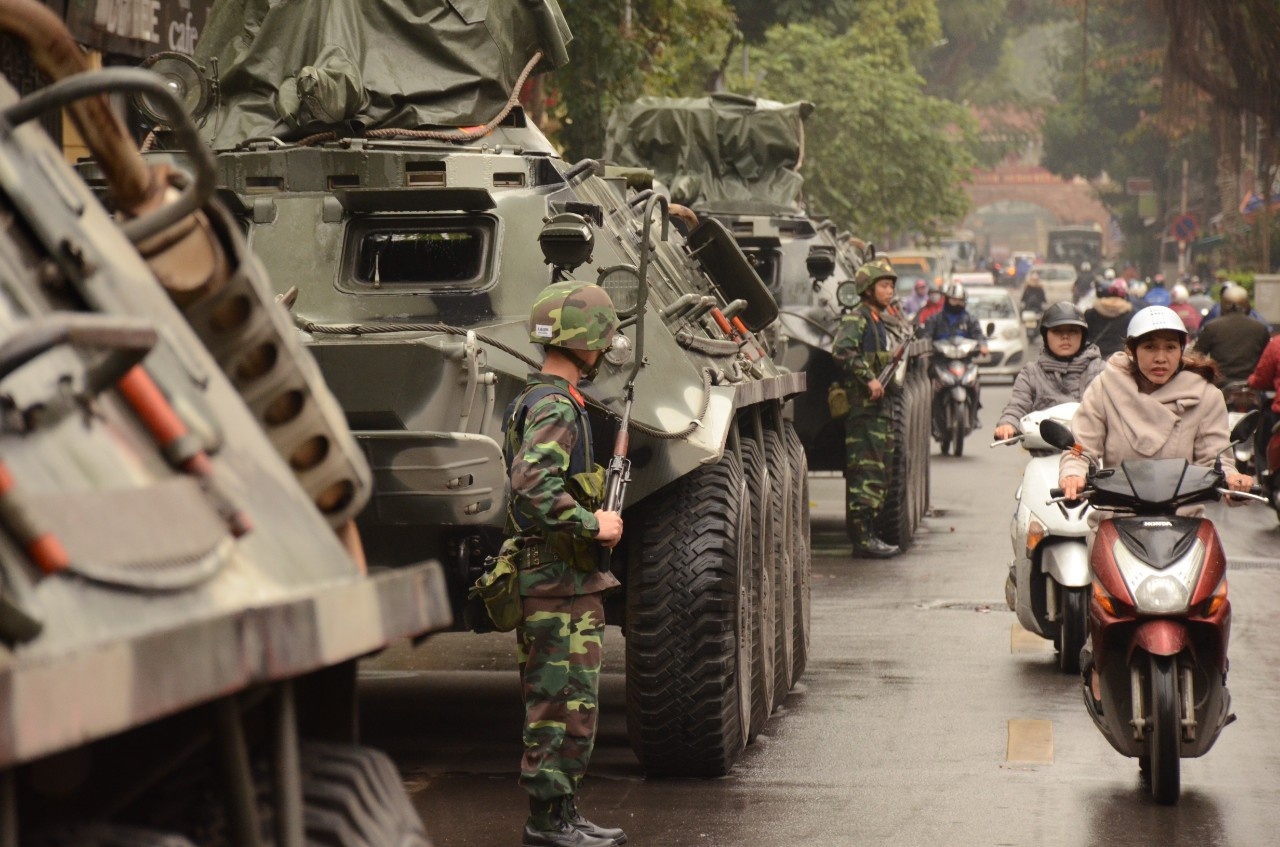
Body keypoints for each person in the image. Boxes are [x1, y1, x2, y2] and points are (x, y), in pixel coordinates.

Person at [1059, 306, 1254, 707]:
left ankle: (1213, 667)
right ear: (1132, 351)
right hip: (1119, 518)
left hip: (1183, 521)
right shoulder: (1105, 388)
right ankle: (1101, 659)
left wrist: (1231, 478)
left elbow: (1218, 457)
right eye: (1150, 347)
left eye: (1170, 347)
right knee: (1105, 604)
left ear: (1183, 350)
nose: (1160, 357)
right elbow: (1082, 445)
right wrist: (1073, 473)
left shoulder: (1206, 396)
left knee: (1210, 602)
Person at [506, 281, 626, 847]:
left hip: (564, 582)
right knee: (559, 707)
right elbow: (533, 485)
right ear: (588, 343)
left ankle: (563, 813)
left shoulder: (539, 398)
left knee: (571, 706)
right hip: (555, 582)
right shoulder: (554, 405)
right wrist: (591, 524)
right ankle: (547, 823)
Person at [994, 301, 1104, 607]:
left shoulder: (1100, 370)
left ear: (1083, 336)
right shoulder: (1031, 372)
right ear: (1046, 336)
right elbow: (1016, 405)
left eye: (1072, 332)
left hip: (1090, 458)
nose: (1066, 338)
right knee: (1022, 518)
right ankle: (1021, 565)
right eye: (1058, 332)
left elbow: (1113, 406)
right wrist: (1007, 424)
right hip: (1044, 460)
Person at [831, 257, 902, 558]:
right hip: (863, 410)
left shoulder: (877, 322)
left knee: (880, 474)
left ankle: (870, 534)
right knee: (865, 475)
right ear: (868, 289)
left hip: (878, 411)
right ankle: (862, 539)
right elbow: (842, 351)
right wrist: (869, 379)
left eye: (890, 286)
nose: (889, 292)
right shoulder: (857, 319)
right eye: (884, 286)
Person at [921, 281, 989, 429]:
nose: (956, 303)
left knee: (975, 381)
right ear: (947, 300)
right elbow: (926, 337)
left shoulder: (970, 319)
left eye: (960, 301)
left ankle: (974, 414)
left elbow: (979, 335)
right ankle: (932, 417)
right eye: (954, 300)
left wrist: (983, 346)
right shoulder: (935, 319)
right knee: (930, 385)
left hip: (965, 362)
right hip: (941, 362)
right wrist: (927, 348)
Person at [1192, 284, 1270, 383]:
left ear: (1223, 305)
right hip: (1251, 384)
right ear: (1247, 305)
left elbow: (1197, 356)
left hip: (1220, 384)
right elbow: (1267, 359)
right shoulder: (1260, 328)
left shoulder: (1212, 327)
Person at [1083, 278, 1134, 357]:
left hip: (1094, 354)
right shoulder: (1129, 314)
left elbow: (1085, 336)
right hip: (1120, 356)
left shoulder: (1091, 313)